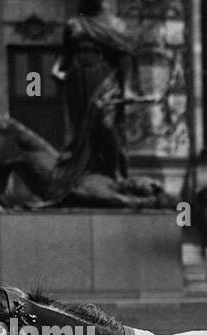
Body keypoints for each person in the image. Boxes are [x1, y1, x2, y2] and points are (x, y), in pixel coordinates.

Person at [49, 0, 136, 201]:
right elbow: (66, 53)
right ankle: (81, 172)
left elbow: (125, 57)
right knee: (81, 129)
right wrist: (57, 70)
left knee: (106, 125)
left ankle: (114, 172)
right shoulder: (74, 23)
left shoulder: (117, 24)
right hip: (77, 78)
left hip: (105, 78)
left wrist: (128, 88)